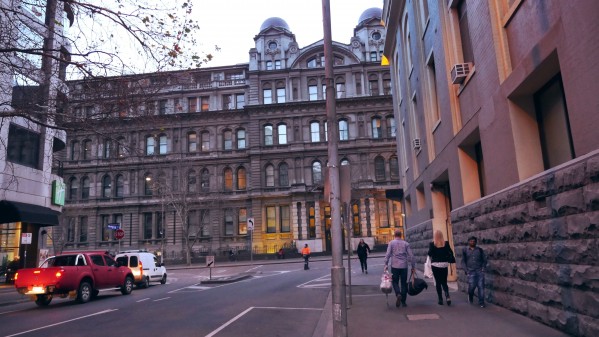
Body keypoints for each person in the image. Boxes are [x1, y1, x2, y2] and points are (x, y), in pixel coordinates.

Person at [384, 230, 415, 308]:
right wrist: (413, 266)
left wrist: (386, 264)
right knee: (403, 283)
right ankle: (403, 302)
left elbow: (388, 254)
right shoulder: (406, 243)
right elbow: (411, 256)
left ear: (394, 235)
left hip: (395, 266)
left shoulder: (391, 243)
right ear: (401, 235)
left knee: (395, 282)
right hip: (404, 266)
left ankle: (398, 293)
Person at [427, 230, 455, 306]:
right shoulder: (446, 243)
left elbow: (429, 253)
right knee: (444, 282)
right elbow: (450, 252)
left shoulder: (432, 244)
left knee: (438, 282)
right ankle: (447, 295)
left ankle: (440, 299)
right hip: (444, 264)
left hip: (435, 265)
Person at [461, 236, 487, 308]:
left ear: (476, 242)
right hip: (470, 271)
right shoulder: (465, 250)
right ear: (468, 242)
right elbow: (463, 261)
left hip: (479, 271)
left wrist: (483, 268)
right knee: (472, 287)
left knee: (481, 286)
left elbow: (484, 260)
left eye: (474, 241)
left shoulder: (479, 250)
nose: (472, 242)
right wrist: (466, 270)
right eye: (471, 241)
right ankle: (471, 296)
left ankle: (481, 302)